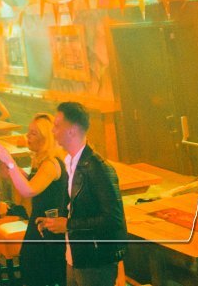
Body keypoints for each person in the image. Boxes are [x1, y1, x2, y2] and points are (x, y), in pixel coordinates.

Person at [37, 102, 125, 286]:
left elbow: (113, 220)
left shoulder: (97, 168)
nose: (52, 130)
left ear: (72, 130)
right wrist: (54, 223)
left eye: (57, 125)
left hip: (95, 261)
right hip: (74, 256)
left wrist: (68, 225)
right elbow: (76, 208)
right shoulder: (69, 162)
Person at [0, 114, 66, 286]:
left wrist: (10, 162)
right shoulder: (41, 161)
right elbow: (33, 182)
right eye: (29, 131)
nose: (27, 136)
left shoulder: (50, 164)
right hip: (40, 224)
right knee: (31, 266)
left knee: (37, 270)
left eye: (33, 133)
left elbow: (29, 190)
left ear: (45, 139)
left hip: (49, 230)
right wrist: (13, 170)